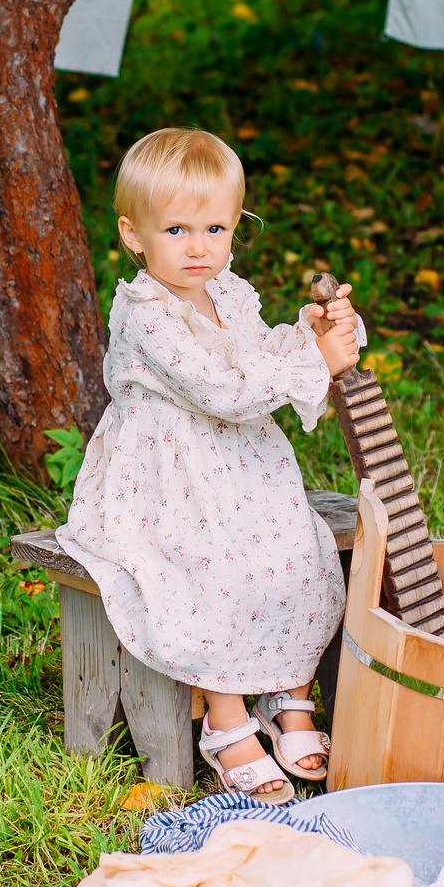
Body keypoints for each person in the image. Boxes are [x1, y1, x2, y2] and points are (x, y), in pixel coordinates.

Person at [55, 128, 363, 804]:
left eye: (215, 226)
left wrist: (311, 337)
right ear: (134, 235)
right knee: (210, 564)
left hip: (238, 467)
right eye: (177, 229)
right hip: (165, 476)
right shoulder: (145, 314)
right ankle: (224, 718)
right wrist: (316, 366)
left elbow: (255, 355)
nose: (199, 246)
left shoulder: (229, 292)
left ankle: (288, 694)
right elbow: (225, 390)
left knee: (298, 547)